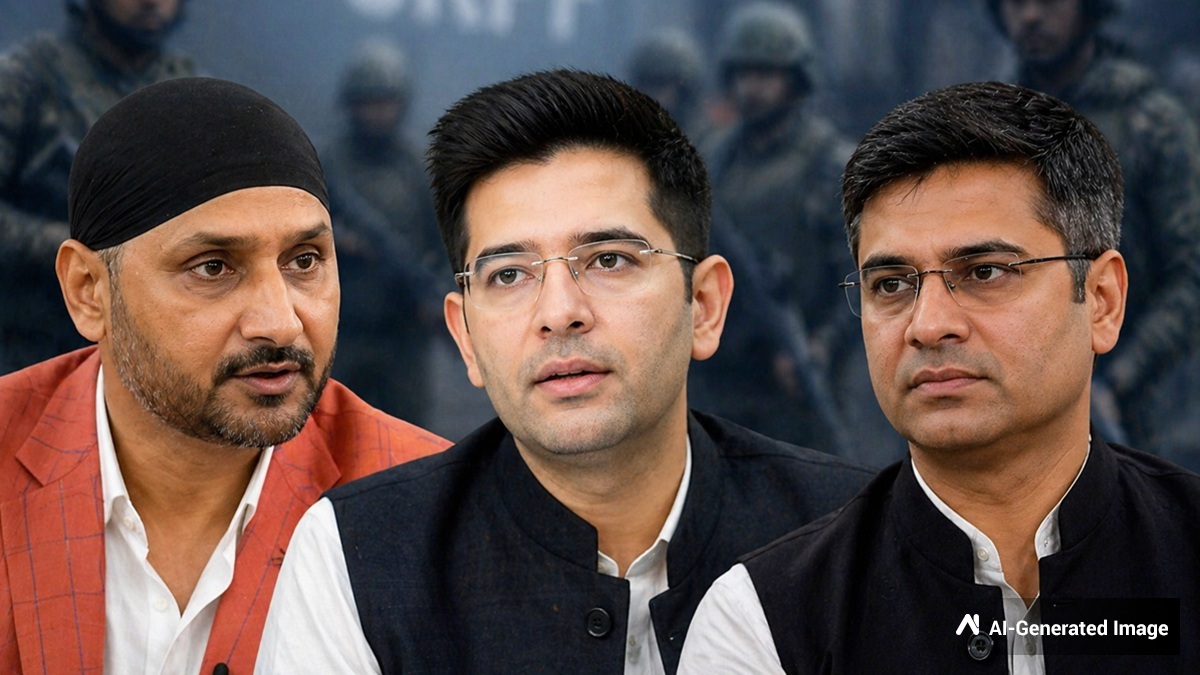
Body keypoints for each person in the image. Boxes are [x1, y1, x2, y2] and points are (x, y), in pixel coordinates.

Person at [255, 69, 874, 675]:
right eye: (508, 274)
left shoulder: (860, 539)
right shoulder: (358, 559)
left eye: (609, 260)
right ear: (465, 336)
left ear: (705, 306)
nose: (558, 313)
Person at [679, 81, 1200, 673]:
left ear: (1101, 300)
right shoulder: (766, 621)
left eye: (985, 272)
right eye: (891, 285)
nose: (927, 325)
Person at [0, 77, 449, 674]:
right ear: (89, 292)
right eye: (213, 267)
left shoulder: (435, 513)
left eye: (305, 261)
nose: (280, 323)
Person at [988, 0, 1200, 469]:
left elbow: (1190, 277)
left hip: (1131, 406)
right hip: (1007, 395)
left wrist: (1119, 378)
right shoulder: (988, 125)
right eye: (1015, 3)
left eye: (1049, 2)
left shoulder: (1150, 120)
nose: (1030, 16)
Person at [702, 2, 901, 463]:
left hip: (796, 379)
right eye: (744, 74)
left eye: (766, 74)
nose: (752, 88)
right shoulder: (715, 160)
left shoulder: (828, 164)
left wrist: (821, 346)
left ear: (795, 79)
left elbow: (861, 272)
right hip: (723, 377)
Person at [0, 0, 197, 375]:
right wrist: (73, 248)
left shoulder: (189, 90)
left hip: (146, 350)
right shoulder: (26, 77)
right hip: (28, 342)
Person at [322, 39, 445, 428]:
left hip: (403, 333)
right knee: (329, 433)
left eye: (385, 102)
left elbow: (444, 242)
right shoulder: (329, 163)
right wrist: (332, 239)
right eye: (368, 102)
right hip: (345, 330)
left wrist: (437, 294)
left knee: (408, 440)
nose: (377, 113)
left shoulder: (417, 168)